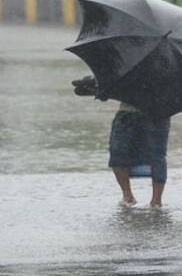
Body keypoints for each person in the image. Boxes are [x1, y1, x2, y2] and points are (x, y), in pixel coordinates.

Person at [72, 76, 170, 208]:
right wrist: (100, 88)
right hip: (129, 113)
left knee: (157, 157)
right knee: (117, 155)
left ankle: (156, 201)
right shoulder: (131, 64)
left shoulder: (167, 71)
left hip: (157, 115)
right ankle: (128, 196)